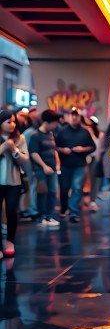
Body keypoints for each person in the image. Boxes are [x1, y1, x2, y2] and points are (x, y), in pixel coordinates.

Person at [55, 107, 95, 223]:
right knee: (64, 189)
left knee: (77, 188)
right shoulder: (62, 131)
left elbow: (93, 147)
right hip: (65, 165)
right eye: (72, 115)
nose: (74, 117)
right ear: (68, 117)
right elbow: (55, 147)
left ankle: (73, 212)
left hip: (80, 165)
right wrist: (63, 150)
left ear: (79, 117)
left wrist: (83, 149)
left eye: (76, 115)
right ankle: (64, 208)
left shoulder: (85, 131)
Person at [0, 110, 29, 258]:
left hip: (14, 182)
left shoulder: (20, 138)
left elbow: (24, 160)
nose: (12, 125)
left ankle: (10, 242)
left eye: (14, 122)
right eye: (8, 122)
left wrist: (14, 150)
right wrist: (3, 147)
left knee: (11, 210)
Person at [28, 109, 61, 227]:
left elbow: (54, 150)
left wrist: (57, 163)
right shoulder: (36, 135)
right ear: (47, 122)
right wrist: (44, 166)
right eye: (54, 123)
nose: (55, 125)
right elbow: (34, 153)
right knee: (43, 192)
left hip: (52, 169)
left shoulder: (50, 135)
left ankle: (49, 215)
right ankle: (41, 216)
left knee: (52, 192)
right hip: (41, 170)